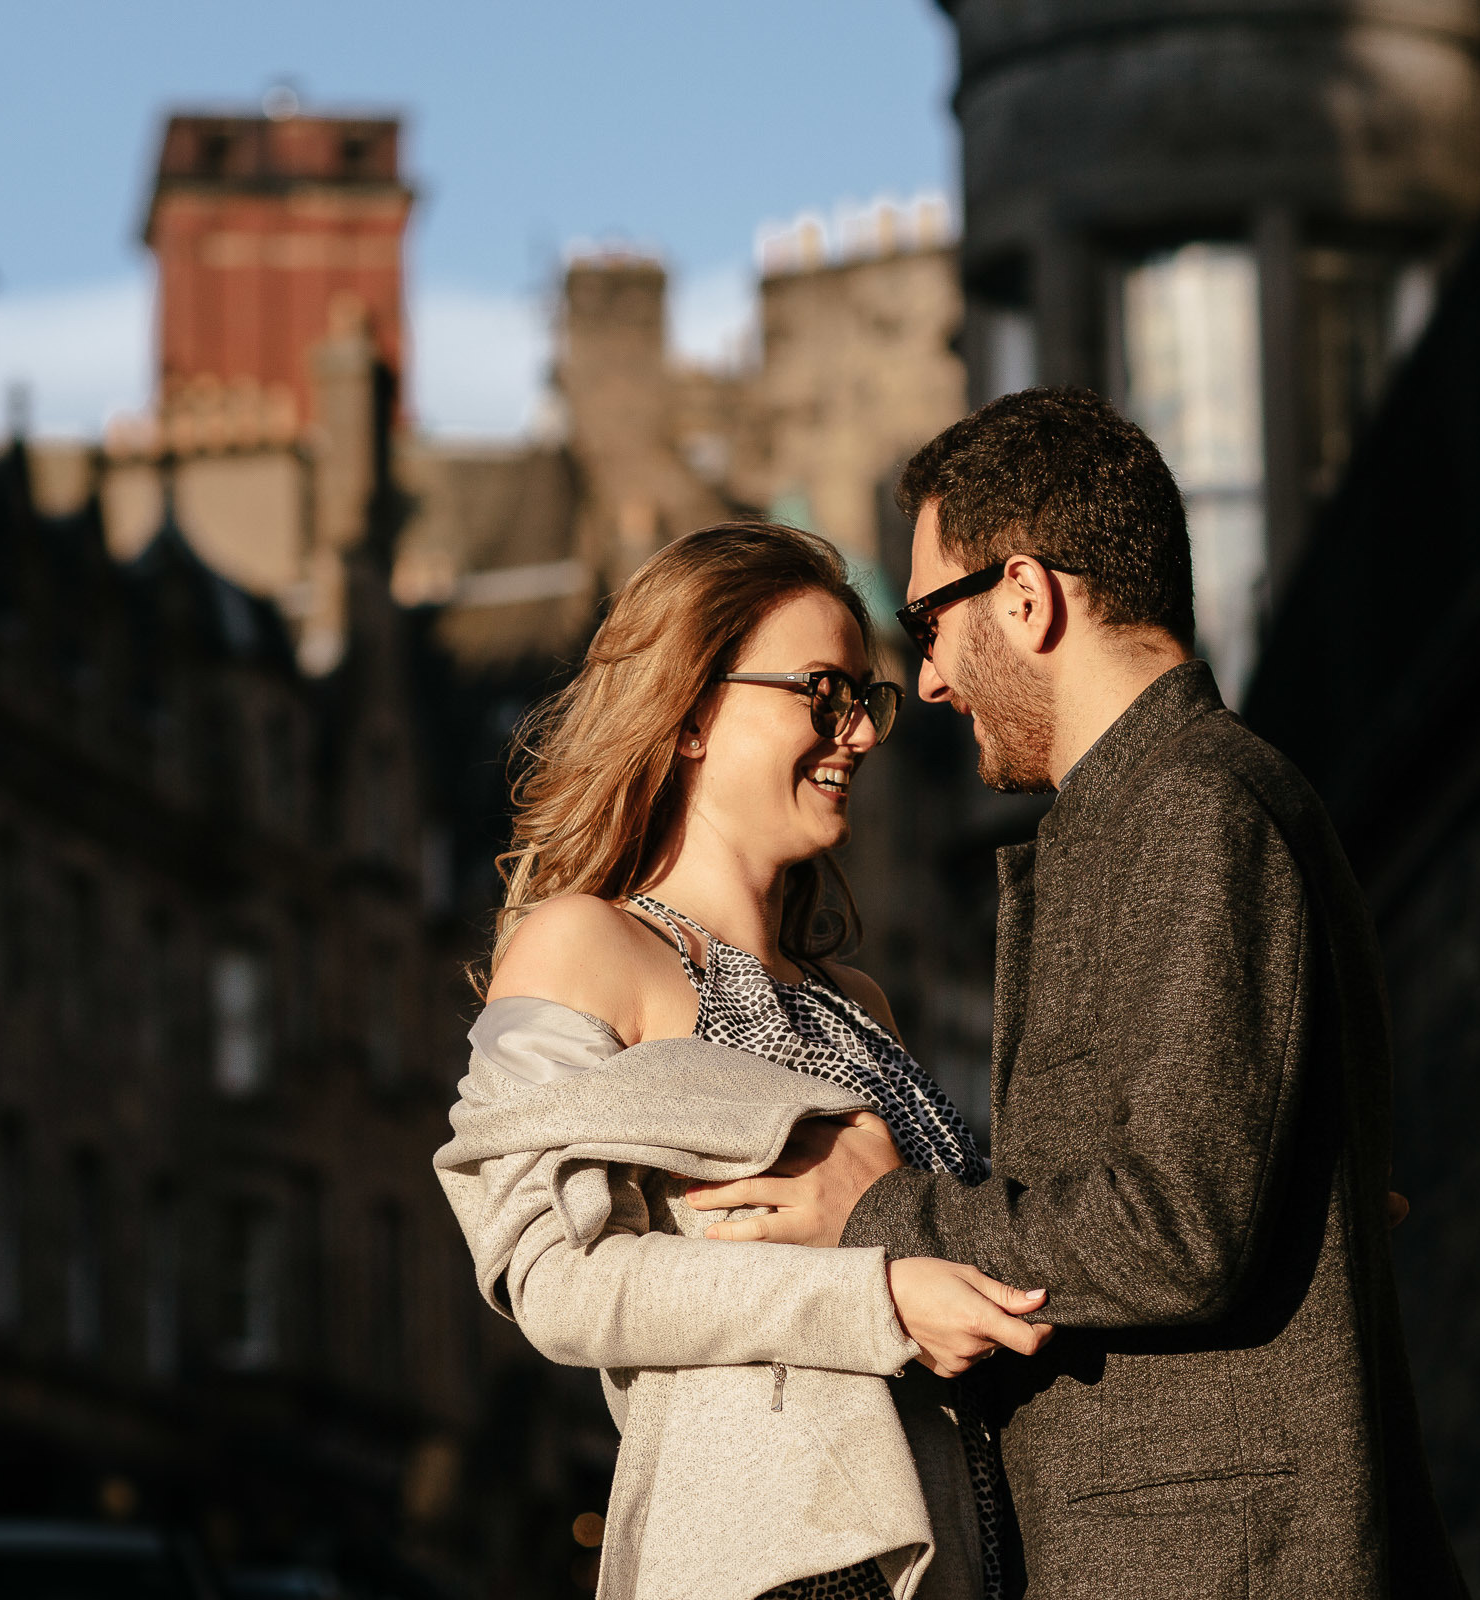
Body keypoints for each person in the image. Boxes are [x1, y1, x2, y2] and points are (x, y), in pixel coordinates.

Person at [686, 390, 1469, 1598]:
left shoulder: (1193, 809)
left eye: (927, 624)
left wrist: (885, 1211)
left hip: (1211, 1561)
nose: (927, 682)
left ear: (1025, 596)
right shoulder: (1155, 814)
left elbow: (1174, 1225)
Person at [433, 522, 1047, 1600]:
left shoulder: (858, 1003)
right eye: (823, 693)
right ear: (688, 716)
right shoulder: (584, 945)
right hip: (771, 1555)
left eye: (866, 697)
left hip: (957, 1545)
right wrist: (876, 1299)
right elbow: (557, 1281)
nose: (861, 731)